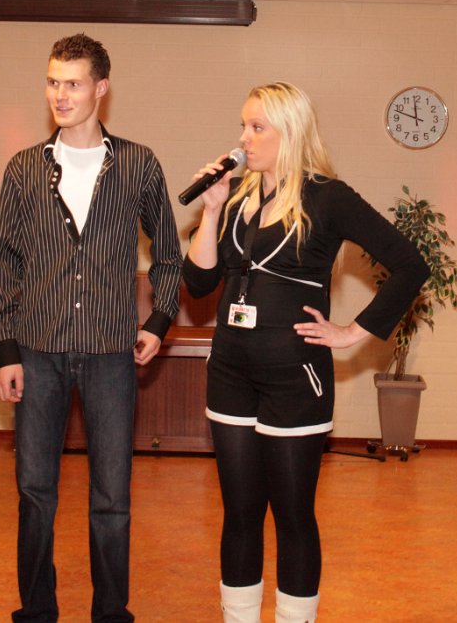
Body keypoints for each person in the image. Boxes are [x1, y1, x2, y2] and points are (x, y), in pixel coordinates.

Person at [182, 82, 429, 623]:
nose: (243, 139)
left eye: (257, 128)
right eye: (243, 126)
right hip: (230, 372)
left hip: (295, 378)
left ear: (290, 132)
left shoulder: (327, 197)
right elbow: (198, 284)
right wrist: (212, 209)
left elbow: (411, 265)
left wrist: (353, 331)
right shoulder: (237, 195)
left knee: (293, 517)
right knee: (240, 514)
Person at [0, 33, 182, 622]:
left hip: (110, 353)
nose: (60, 95)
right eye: (52, 82)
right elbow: (4, 264)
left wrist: (159, 319)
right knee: (34, 492)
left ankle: (111, 613)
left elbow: (168, 253)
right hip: (36, 351)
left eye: (72, 83)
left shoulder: (139, 164)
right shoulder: (24, 169)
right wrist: (4, 350)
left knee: (112, 497)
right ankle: (36, 611)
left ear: (101, 88)